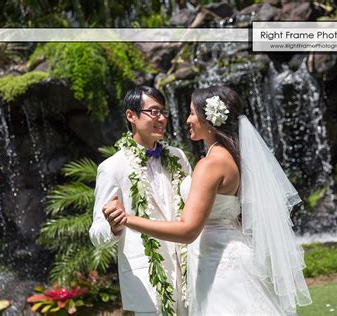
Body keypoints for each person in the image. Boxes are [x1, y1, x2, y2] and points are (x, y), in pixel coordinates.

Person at [105, 86, 312, 315]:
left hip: (218, 261)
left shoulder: (209, 164)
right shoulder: (233, 156)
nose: (187, 120)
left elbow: (188, 230)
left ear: (209, 120)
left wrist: (127, 219)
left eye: (193, 113)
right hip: (229, 250)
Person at [89, 86, 192, 315]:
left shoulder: (178, 157)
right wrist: (114, 227)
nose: (162, 118)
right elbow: (96, 234)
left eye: (163, 112)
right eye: (154, 112)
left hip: (190, 275)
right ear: (131, 116)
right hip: (148, 284)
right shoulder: (112, 168)